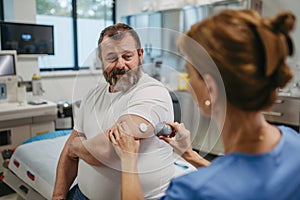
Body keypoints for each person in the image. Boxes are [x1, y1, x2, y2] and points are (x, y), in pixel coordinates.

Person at [109, 9, 300, 200]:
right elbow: (239, 180)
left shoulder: (193, 191)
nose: (190, 84)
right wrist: (190, 155)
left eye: (190, 74)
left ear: (211, 89)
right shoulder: (293, 143)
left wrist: (128, 161)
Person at [52, 23, 176, 200]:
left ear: (140, 55)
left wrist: (76, 147)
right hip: (82, 195)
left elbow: (108, 150)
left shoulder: (153, 92)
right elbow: (69, 151)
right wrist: (58, 196)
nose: (121, 65)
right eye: (111, 58)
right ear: (100, 59)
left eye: (127, 56)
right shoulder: (93, 96)